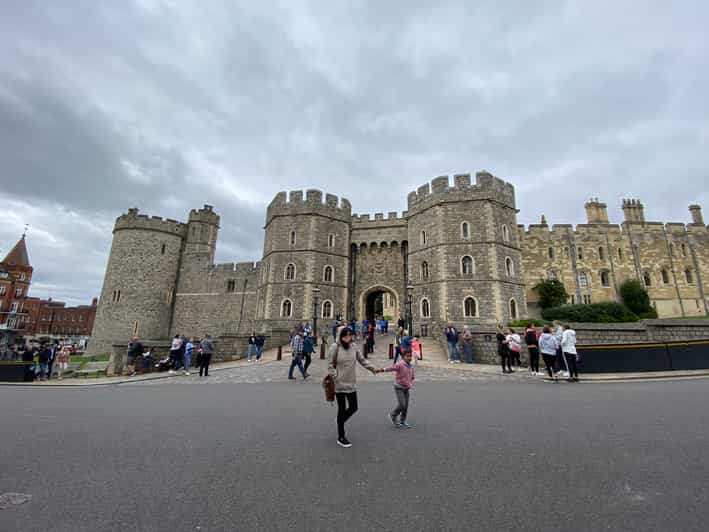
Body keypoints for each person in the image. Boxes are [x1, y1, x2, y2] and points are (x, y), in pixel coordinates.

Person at [328, 326, 378, 448]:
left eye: (350, 335)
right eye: (345, 336)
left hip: (351, 382)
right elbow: (330, 365)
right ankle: (341, 436)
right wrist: (335, 377)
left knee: (354, 407)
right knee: (341, 409)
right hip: (339, 383)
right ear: (340, 336)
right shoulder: (335, 347)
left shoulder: (354, 346)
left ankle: (340, 421)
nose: (348, 338)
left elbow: (362, 360)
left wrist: (372, 368)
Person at [380, 336, 415, 428]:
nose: (409, 358)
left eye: (410, 356)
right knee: (402, 404)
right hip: (399, 387)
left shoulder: (410, 366)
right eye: (407, 356)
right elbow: (391, 368)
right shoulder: (400, 364)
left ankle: (403, 421)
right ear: (403, 357)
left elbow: (412, 376)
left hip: (406, 388)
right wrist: (382, 370)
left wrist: (410, 383)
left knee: (406, 406)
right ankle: (393, 415)